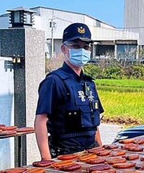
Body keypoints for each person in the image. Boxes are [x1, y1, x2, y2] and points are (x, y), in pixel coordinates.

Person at [34, 23, 104, 160]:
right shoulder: (54, 81)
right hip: (65, 154)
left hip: (91, 153)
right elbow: (40, 121)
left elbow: (94, 125)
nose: (82, 50)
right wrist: (46, 159)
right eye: (76, 46)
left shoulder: (89, 83)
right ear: (64, 49)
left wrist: (101, 151)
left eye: (86, 47)